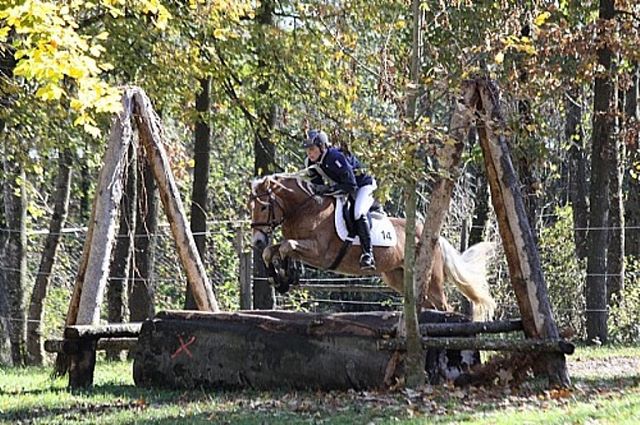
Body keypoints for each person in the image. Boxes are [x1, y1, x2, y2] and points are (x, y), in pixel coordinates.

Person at [302, 129, 377, 270]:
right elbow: (317, 186)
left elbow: (351, 185)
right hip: (344, 187)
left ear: (322, 146)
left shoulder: (335, 157)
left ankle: (368, 254)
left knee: (358, 212)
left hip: (362, 185)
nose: (309, 153)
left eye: (312, 149)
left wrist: (328, 189)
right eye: (307, 150)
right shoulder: (311, 163)